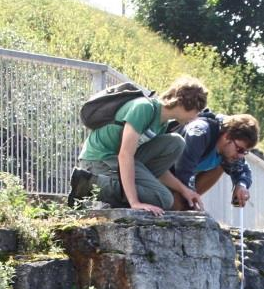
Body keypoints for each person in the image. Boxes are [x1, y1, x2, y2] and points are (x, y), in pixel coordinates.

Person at [72, 77, 209, 215]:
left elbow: (156, 170)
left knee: (176, 142)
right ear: (182, 103)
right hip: (98, 160)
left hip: (117, 162)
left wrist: (184, 190)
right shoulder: (143, 108)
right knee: (164, 199)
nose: (196, 117)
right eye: (196, 110)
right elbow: (125, 154)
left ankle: (122, 191)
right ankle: (88, 184)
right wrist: (134, 202)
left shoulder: (162, 124)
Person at [168, 112, 259, 211]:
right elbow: (184, 169)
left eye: (245, 152)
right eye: (240, 150)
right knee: (175, 204)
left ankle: (185, 203)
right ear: (227, 137)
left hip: (179, 177)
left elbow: (243, 171)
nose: (241, 156)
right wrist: (190, 199)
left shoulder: (230, 149)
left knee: (221, 166)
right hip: (162, 172)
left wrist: (241, 185)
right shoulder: (200, 132)